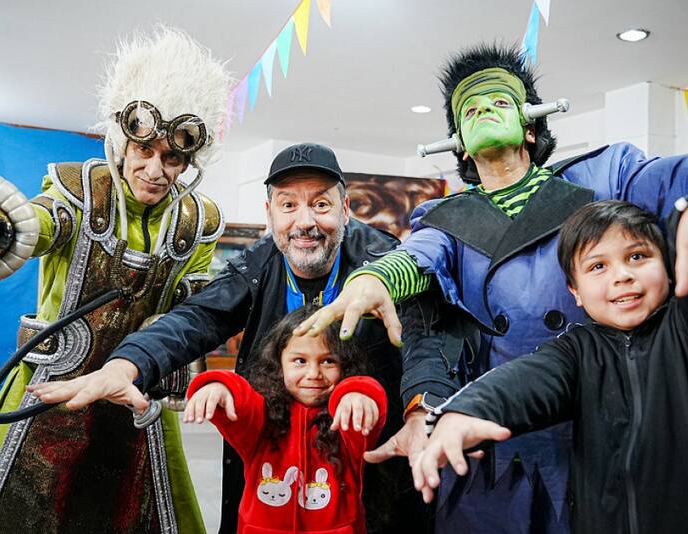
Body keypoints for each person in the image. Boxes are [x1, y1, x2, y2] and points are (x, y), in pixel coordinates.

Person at [295, 43, 688, 533]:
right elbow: (421, 259)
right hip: (492, 427)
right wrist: (372, 277)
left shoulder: (603, 175)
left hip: (602, 422)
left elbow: (672, 177)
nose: (483, 110)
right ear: (457, 141)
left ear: (531, 125)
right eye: (470, 107)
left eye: (498, 100)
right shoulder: (441, 218)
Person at [0, 27, 231, 533]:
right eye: (145, 151)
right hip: (51, 391)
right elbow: (31, 225)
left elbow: (192, 311)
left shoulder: (198, 220)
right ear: (122, 142)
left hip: (134, 392)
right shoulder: (78, 190)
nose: (156, 169)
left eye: (172, 158)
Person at [28, 143, 431, 533]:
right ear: (270, 213)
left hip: (371, 460)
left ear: (344, 211)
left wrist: (417, 410)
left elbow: (425, 341)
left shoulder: (384, 263)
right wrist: (125, 364)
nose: (304, 221)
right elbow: (197, 318)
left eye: (321, 204)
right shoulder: (258, 263)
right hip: (272, 469)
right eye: (288, 205)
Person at [412, 196, 688, 533]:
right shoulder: (577, 351)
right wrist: (461, 412)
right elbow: (523, 381)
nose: (622, 275)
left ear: (666, 265)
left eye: (637, 256)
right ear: (575, 292)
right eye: (598, 266)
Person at [185, 305, 386, 533]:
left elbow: (368, 396)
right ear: (279, 364)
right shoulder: (263, 418)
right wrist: (220, 386)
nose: (313, 373)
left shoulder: (346, 418)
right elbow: (243, 403)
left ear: (346, 366)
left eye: (328, 361)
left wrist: (357, 393)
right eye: (300, 360)